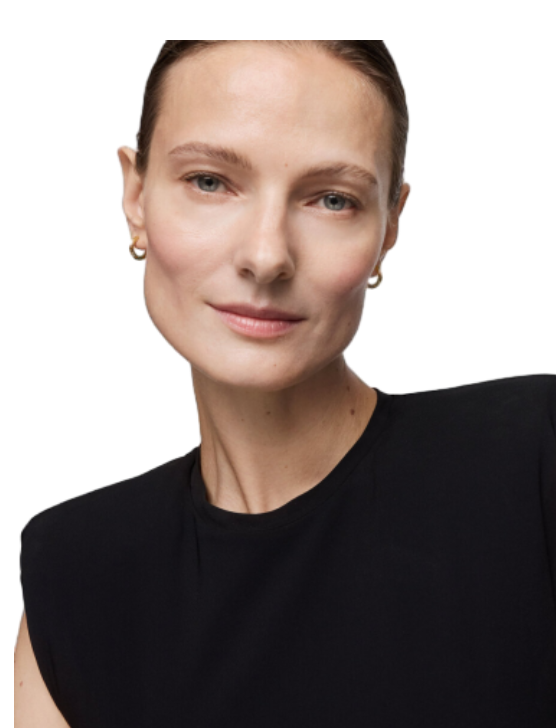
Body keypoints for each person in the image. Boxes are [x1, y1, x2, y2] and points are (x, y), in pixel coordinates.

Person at [117, 41, 412, 515]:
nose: (266, 256)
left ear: (390, 228)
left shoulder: (528, 462)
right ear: (135, 196)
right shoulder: (72, 546)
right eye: (209, 181)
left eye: (334, 200)